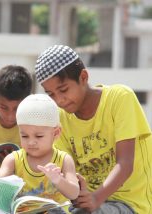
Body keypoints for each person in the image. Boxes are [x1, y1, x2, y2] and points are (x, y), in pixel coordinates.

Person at [34, 44, 152, 213]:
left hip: (130, 203)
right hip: (87, 203)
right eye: (51, 94)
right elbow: (68, 172)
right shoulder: (60, 119)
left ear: (83, 77)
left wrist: (96, 197)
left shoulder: (119, 98)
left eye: (63, 90)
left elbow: (125, 163)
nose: (59, 100)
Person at [0, 94, 79, 209]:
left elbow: (74, 193)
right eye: (24, 136)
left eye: (39, 136)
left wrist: (58, 180)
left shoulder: (64, 160)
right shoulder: (13, 160)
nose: (31, 142)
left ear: (56, 133)